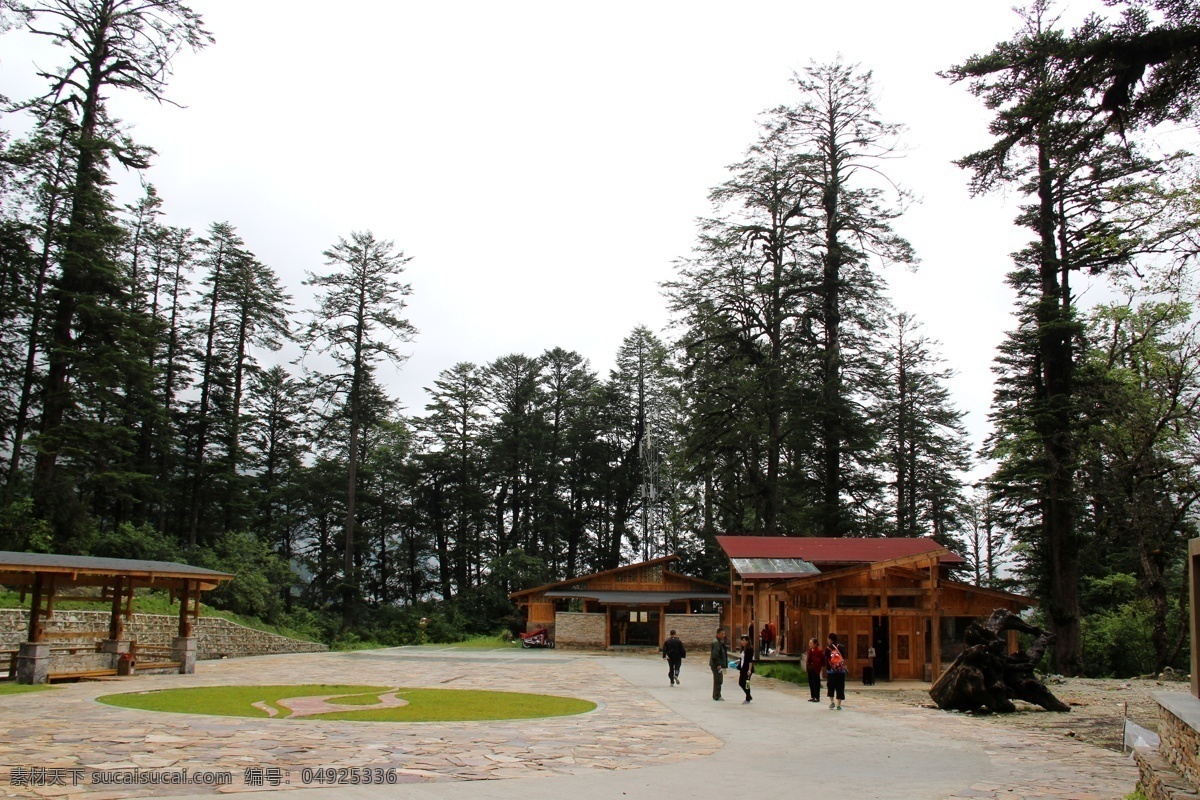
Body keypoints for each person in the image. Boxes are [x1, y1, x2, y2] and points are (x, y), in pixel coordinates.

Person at [825, 632, 847, 710]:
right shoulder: (841, 647)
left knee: (831, 686)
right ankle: (839, 704)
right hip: (841, 671)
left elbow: (826, 659)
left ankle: (832, 702)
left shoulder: (828, 648)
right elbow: (843, 656)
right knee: (840, 687)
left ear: (830, 639)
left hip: (831, 671)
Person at [709, 627, 729, 701]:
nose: (723, 635)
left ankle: (717, 694)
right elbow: (715, 655)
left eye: (724, 633)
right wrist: (718, 665)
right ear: (718, 634)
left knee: (719, 680)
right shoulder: (716, 643)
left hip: (719, 664)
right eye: (722, 634)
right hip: (716, 665)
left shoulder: (720, 642)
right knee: (718, 680)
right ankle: (716, 695)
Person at [805, 637, 825, 702]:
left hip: (816, 668)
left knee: (816, 683)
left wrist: (819, 666)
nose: (810, 644)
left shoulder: (819, 651)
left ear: (815, 644)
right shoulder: (809, 650)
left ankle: (817, 697)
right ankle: (812, 696)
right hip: (810, 668)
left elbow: (822, 660)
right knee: (811, 682)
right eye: (809, 643)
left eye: (811, 643)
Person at [737, 634, 755, 704]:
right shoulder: (743, 649)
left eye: (744, 640)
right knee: (741, 682)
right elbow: (742, 658)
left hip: (747, 669)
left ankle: (748, 697)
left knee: (747, 683)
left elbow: (750, 660)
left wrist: (749, 670)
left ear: (747, 641)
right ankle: (749, 695)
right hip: (743, 668)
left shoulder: (749, 649)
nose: (742, 642)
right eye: (742, 640)